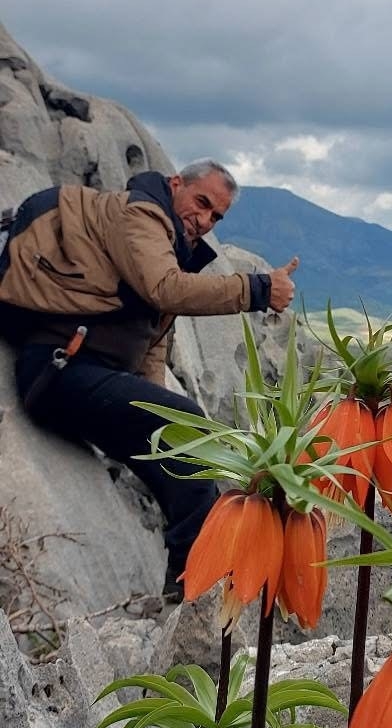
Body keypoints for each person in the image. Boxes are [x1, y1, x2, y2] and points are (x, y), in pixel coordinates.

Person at [0, 159, 298, 599]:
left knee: (185, 453)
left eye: (216, 216)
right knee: (189, 425)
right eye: (201, 203)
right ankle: (196, 584)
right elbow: (164, 288)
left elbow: (150, 345)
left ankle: (193, 583)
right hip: (58, 369)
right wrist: (256, 290)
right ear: (176, 184)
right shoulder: (139, 214)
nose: (205, 220)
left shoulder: (172, 244)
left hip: (88, 375)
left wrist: (157, 413)